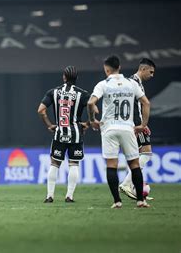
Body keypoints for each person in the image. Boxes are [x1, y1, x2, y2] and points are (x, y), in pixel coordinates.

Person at [88, 55, 151, 209]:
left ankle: (117, 201)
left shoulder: (103, 84)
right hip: (128, 128)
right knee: (135, 164)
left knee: (111, 165)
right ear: (120, 68)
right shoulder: (131, 83)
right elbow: (146, 103)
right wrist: (143, 124)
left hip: (109, 129)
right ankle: (140, 201)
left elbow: (91, 102)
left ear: (106, 69)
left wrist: (92, 120)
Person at [37, 66, 90, 203]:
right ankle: (69, 196)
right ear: (76, 78)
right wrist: (88, 123)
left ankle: (49, 196)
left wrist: (49, 125)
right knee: (74, 164)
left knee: (54, 164)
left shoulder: (53, 92)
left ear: (64, 77)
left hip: (59, 133)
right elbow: (93, 107)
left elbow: (41, 110)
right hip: (76, 134)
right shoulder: (83, 94)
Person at [119, 58, 156, 199]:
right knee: (146, 153)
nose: (152, 75)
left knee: (138, 156)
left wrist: (144, 124)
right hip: (135, 124)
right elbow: (133, 108)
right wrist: (141, 125)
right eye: (151, 72)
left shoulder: (135, 82)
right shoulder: (134, 82)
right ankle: (126, 184)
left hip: (135, 124)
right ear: (143, 69)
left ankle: (135, 189)